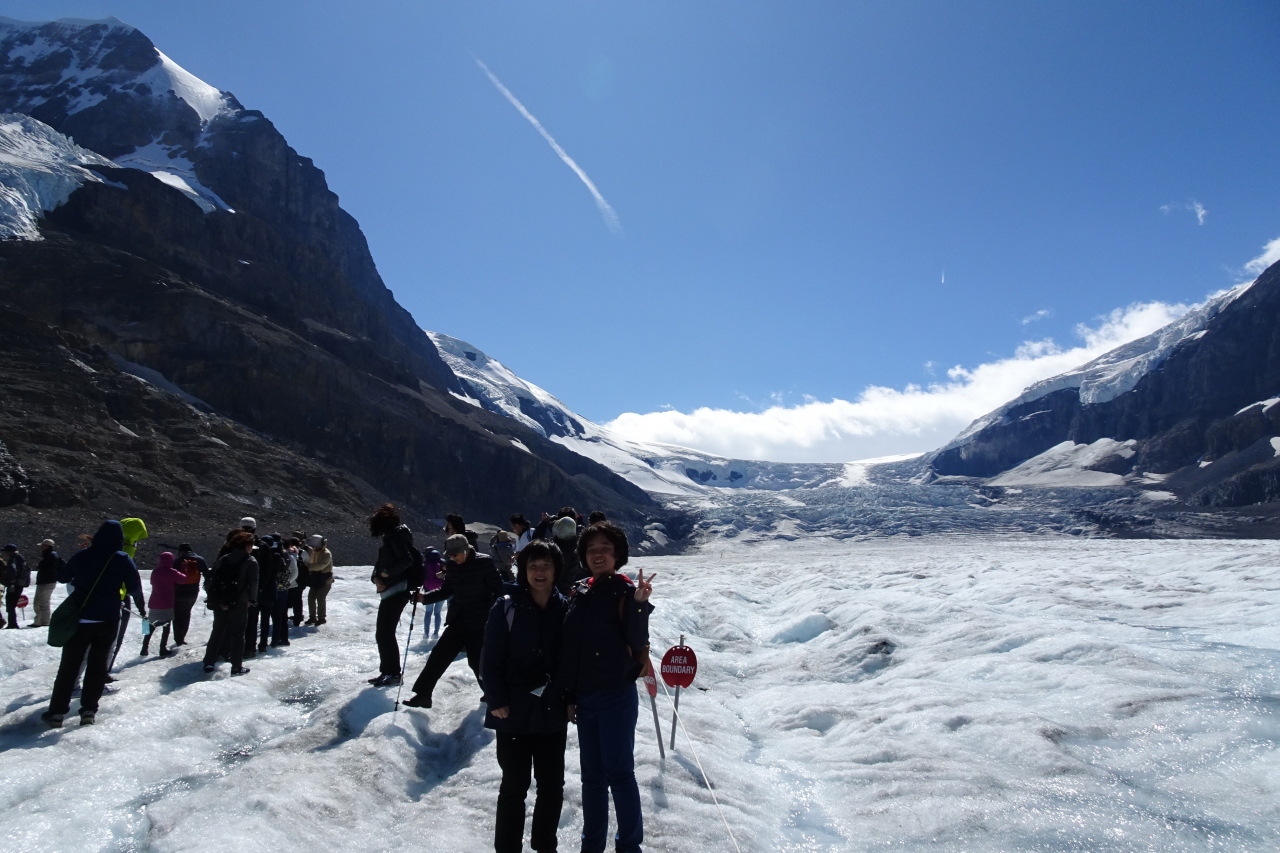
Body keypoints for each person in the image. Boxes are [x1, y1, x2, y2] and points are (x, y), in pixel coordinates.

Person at [557, 522, 655, 853]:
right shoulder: (580, 589)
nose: (598, 554)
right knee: (592, 779)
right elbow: (571, 650)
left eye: (605, 548)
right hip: (585, 698)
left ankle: (629, 847)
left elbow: (637, 640)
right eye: (592, 549)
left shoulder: (627, 591)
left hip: (615, 695)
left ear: (617, 554)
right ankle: (592, 845)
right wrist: (570, 696)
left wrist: (640, 603)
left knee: (619, 774)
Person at [482, 540, 570, 853]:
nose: (539, 572)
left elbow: (570, 661)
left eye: (546, 565)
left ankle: (545, 845)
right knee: (514, 787)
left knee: (551, 788)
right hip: (513, 713)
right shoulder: (506, 605)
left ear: (557, 569)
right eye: (533, 566)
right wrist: (496, 700)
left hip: (551, 713)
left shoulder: (566, 607)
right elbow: (489, 659)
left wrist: (569, 699)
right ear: (524, 571)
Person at [42, 520, 146, 727]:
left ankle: (56, 713)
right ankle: (88, 711)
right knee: (98, 666)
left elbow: (63, 577)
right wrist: (142, 610)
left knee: (69, 666)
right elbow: (134, 588)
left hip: (81, 619)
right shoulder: (122, 558)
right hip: (108, 619)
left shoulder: (84, 555)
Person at [403, 534, 503, 709]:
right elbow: (445, 591)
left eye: (454, 555)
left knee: (476, 661)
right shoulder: (451, 565)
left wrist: (492, 616)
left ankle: (493, 695)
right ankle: (423, 695)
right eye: (449, 555)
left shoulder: (484, 562)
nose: (451, 558)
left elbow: (498, 591)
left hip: (480, 622)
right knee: (438, 656)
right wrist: (423, 598)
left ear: (465, 550)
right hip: (458, 619)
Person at [368, 503, 418, 687]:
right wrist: (376, 577)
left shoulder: (394, 538)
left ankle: (393, 674)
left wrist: (385, 575)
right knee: (384, 633)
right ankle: (388, 672)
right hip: (395, 590)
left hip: (396, 590)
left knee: (384, 633)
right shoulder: (395, 537)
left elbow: (406, 560)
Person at [203, 529, 259, 675]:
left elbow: (212, 578)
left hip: (221, 600)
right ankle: (236, 666)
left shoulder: (224, 558)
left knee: (217, 631)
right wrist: (251, 600)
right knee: (238, 634)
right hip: (239, 602)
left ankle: (209, 663)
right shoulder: (250, 561)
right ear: (247, 546)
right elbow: (253, 583)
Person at [141, 552, 186, 657]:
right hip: (167, 602)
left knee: (151, 626)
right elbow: (184, 579)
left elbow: (152, 583)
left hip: (154, 602)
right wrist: (184, 568)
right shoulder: (172, 572)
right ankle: (162, 648)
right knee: (166, 626)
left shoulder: (155, 572)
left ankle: (144, 648)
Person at [171, 544, 208, 646]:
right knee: (187, 612)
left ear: (180, 551)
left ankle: (178, 638)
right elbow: (207, 575)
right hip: (193, 590)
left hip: (179, 590)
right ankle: (182, 636)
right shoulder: (199, 559)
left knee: (177, 615)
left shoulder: (178, 561)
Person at [270, 537, 297, 647]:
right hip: (283, 589)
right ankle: (280, 639)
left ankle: (280, 638)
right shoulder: (288, 556)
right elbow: (294, 573)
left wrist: (285, 584)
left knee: (277, 615)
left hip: (276, 590)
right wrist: (286, 584)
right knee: (281, 615)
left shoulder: (272, 556)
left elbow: (294, 573)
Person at [304, 534, 334, 626]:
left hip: (325, 579)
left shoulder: (326, 554)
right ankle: (312, 617)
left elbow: (321, 565)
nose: (313, 548)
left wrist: (308, 567)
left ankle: (321, 617)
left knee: (320, 598)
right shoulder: (314, 552)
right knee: (311, 598)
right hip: (315, 578)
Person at [32, 539, 62, 628]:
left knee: (43, 602)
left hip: (47, 582)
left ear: (47, 546)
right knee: (38, 602)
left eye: (43, 545)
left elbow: (50, 569)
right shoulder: (50, 555)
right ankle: (40, 621)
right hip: (44, 581)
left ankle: (44, 622)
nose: (41, 547)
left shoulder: (51, 556)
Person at [552, 515, 583, 595]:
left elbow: (555, 576)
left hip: (557, 592)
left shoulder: (561, 551)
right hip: (565, 591)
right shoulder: (572, 548)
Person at [3, 543, 29, 628]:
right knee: (12, 604)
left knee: (10, 604)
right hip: (19, 584)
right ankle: (12, 623)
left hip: (14, 585)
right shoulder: (20, 559)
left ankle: (12, 624)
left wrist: (10, 580)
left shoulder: (13, 560)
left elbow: (13, 571)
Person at [422, 547, 445, 639]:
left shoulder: (425, 564)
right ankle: (436, 633)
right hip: (441, 590)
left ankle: (426, 633)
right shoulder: (443, 562)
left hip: (428, 589)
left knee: (428, 612)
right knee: (437, 612)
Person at [288, 532, 309, 626]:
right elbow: (308, 564)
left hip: (290, 580)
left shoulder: (287, 552)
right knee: (298, 599)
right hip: (300, 580)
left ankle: (284, 618)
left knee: (288, 599)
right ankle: (298, 616)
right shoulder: (303, 552)